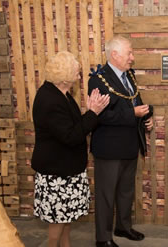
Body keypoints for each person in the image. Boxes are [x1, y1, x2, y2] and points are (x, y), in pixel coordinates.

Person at [31, 51, 110, 247]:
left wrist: (91, 113)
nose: (79, 75)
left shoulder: (61, 94)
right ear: (65, 74)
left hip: (66, 169)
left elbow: (74, 126)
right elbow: (71, 136)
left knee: (66, 217)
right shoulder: (49, 99)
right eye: (76, 71)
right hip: (56, 173)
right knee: (58, 219)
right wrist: (93, 113)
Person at [88, 36, 153, 247]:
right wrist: (132, 114)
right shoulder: (97, 80)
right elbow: (100, 116)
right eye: (130, 53)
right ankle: (103, 238)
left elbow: (136, 103)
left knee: (126, 191)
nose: (132, 58)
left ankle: (123, 227)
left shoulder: (129, 76)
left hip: (129, 145)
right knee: (106, 195)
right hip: (109, 148)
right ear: (114, 55)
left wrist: (145, 119)